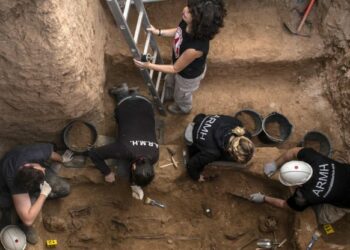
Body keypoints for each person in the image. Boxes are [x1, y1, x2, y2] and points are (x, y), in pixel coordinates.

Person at [133, 0, 227, 115]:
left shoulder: (195, 48)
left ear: (199, 22)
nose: (186, 10)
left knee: (181, 94)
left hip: (188, 77)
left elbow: (174, 69)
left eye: (191, 12)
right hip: (179, 64)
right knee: (170, 80)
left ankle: (183, 107)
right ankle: (169, 93)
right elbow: (178, 31)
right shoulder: (187, 22)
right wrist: (158, 32)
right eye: (188, 6)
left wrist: (148, 65)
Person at [89, 83, 159, 198]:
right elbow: (94, 154)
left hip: (146, 103)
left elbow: (138, 165)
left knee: (135, 120)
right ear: (134, 167)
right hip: (126, 104)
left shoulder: (155, 155)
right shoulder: (124, 149)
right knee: (122, 172)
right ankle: (122, 93)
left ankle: (135, 93)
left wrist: (134, 185)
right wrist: (107, 172)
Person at [249, 147, 350, 225]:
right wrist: (275, 164)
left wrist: (264, 199)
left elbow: (286, 205)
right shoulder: (315, 158)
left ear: (299, 184)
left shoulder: (305, 196)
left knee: (322, 218)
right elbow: (294, 152)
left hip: (346, 201)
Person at [0, 143, 73, 244]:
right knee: (8, 206)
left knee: (65, 189)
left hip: (27, 176)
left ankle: (34, 200)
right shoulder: (16, 183)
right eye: (42, 169)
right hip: (7, 190)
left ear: (29, 165)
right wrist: (43, 195)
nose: (43, 169)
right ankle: (18, 219)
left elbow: (51, 154)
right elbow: (28, 220)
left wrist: (62, 159)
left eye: (41, 169)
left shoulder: (32, 154)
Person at [184, 113, 255, 181]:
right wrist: (197, 177)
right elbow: (191, 165)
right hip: (193, 134)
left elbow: (247, 134)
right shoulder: (212, 153)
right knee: (199, 160)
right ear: (230, 152)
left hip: (202, 119)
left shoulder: (236, 123)